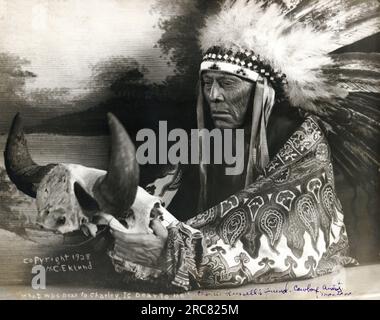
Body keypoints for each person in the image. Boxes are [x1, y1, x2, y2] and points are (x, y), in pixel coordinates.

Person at [108, 0, 379, 291]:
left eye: (226, 83)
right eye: (207, 82)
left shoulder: (300, 137)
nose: (213, 95)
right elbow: (162, 200)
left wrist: (178, 254)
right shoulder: (204, 138)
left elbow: (290, 240)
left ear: (260, 90)